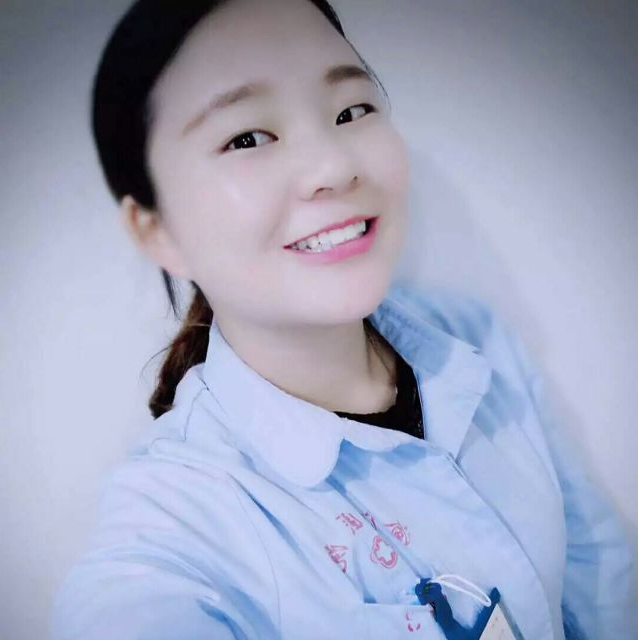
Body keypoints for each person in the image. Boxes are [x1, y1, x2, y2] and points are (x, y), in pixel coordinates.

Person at [49, 0, 635, 638]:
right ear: (155, 229)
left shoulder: (472, 334)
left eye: (351, 110)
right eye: (247, 138)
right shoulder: (179, 520)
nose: (334, 165)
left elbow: (600, 578)